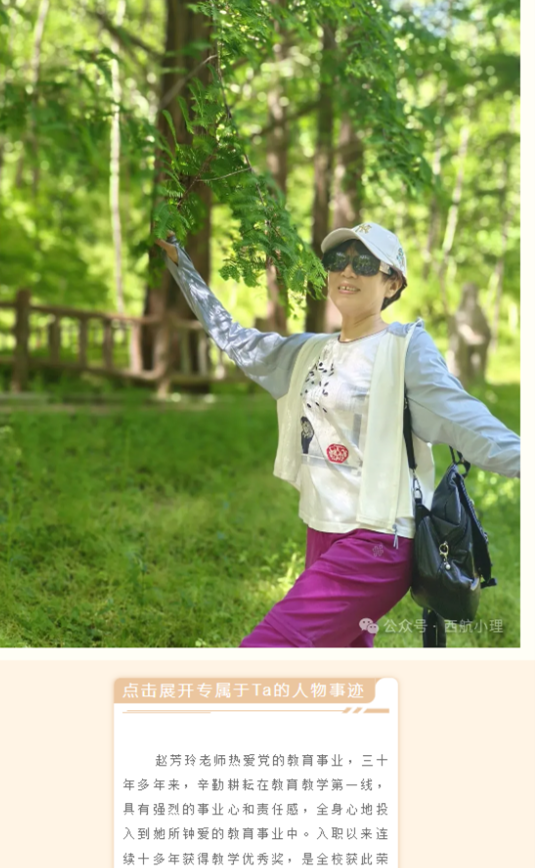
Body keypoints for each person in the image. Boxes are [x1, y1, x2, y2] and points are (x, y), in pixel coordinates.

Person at [158, 222, 520, 649]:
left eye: (364, 263)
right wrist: (181, 265)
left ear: (392, 284)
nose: (347, 271)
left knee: (269, 648)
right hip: (323, 527)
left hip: (377, 539)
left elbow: (469, 422)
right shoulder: (310, 350)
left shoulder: (405, 350)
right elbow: (239, 342)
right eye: (337, 260)